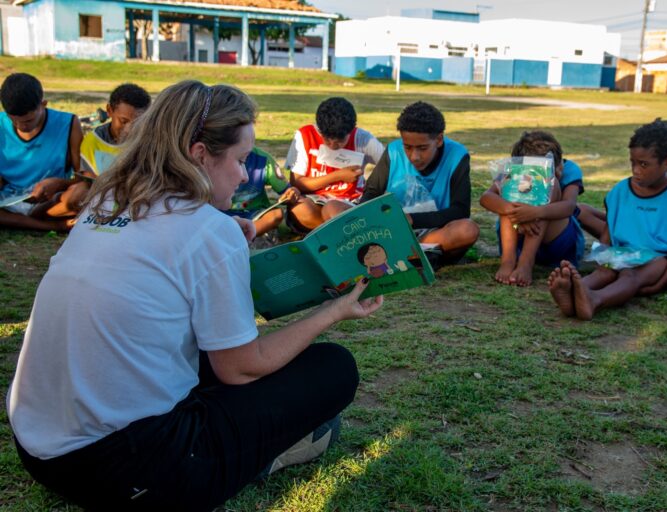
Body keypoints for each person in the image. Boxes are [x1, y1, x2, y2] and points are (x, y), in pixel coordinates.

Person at [7, 80, 384, 511]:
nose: (244, 174)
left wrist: (224, 233)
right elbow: (242, 368)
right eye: (240, 160)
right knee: (333, 368)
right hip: (125, 469)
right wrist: (333, 311)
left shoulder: (107, 201)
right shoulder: (207, 231)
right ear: (199, 155)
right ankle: (256, 459)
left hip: (37, 447)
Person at [548, 119, 667, 320]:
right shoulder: (619, 191)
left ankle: (595, 300)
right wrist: (604, 260)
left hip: (660, 259)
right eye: (633, 162)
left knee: (630, 275)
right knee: (605, 273)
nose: (636, 170)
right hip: (622, 254)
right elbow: (607, 238)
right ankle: (574, 290)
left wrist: (659, 285)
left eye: (644, 164)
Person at [577, 123, 667, 263]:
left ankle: (657, 252)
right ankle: (634, 246)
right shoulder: (652, 171)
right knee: (580, 211)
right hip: (646, 226)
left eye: (643, 164)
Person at [361, 101, 479, 263]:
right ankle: (410, 254)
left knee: (468, 230)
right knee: (334, 208)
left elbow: (460, 210)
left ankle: (396, 252)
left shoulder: (457, 155)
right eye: (408, 147)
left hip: (432, 232)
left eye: (422, 148)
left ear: (438, 140)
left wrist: (413, 219)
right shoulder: (393, 151)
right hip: (391, 229)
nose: (414, 156)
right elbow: (371, 193)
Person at [480, 131, 585, 286]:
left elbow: (569, 207)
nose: (560, 172)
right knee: (506, 197)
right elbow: (486, 198)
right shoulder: (512, 171)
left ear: (560, 162)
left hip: (557, 242)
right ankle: (508, 262)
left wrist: (535, 212)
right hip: (518, 239)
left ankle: (526, 263)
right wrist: (515, 211)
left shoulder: (570, 169)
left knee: (550, 185)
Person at [0, 73, 84, 231]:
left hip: (50, 202)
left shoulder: (69, 123)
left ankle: (20, 221)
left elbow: (84, 178)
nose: (20, 126)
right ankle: (50, 226)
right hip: (7, 201)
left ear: (43, 104)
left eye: (28, 120)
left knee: (81, 194)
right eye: (13, 120)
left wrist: (59, 183)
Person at [285, 97, 384, 231]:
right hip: (314, 201)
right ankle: (347, 231)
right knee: (299, 210)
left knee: (331, 209)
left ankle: (333, 233)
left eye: (340, 141)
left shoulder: (362, 138)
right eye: (326, 139)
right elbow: (297, 182)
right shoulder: (305, 135)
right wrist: (337, 176)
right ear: (319, 129)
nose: (332, 145)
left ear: (351, 130)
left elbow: (389, 165)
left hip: (347, 203)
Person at [225, 145, 307, 238]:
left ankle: (241, 236)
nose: (245, 178)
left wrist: (291, 193)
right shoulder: (214, 160)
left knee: (276, 215)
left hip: (255, 214)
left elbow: (286, 190)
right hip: (222, 214)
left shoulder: (263, 160)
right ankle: (243, 236)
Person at [80, 82, 151, 175]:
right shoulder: (94, 142)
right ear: (109, 110)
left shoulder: (151, 142)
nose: (129, 130)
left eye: (138, 123)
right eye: (123, 121)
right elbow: (88, 181)